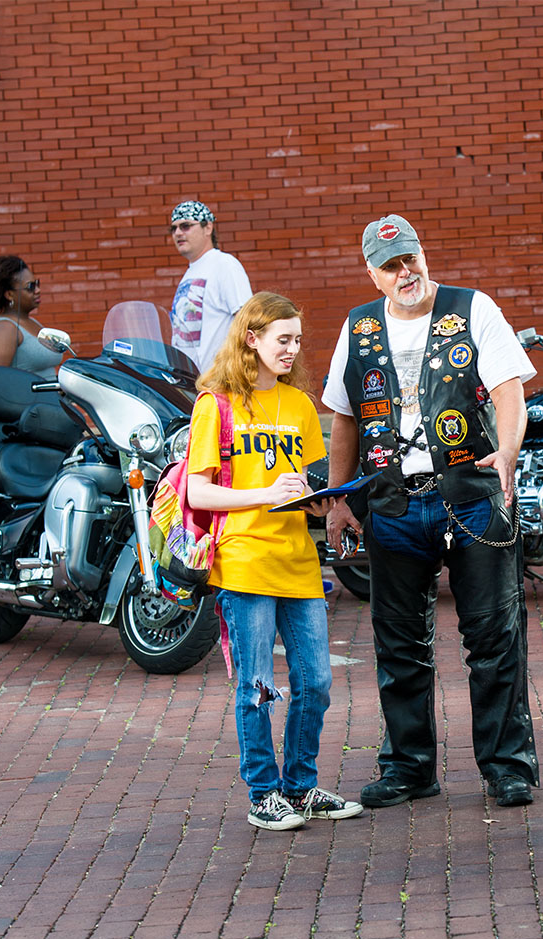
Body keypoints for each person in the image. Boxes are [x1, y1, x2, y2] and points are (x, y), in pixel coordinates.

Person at [322, 214, 539, 809]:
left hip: (471, 495)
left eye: (410, 258)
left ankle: (507, 766)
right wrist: (340, 499)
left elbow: (508, 392)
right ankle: (409, 767)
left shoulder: (473, 308)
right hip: (394, 502)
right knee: (398, 642)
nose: (405, 271)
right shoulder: (358, 325)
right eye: (390, 265)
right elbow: (343, 416)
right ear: (372, 272)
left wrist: (510, 452)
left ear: (423, 254)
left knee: (494, 637)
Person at [186, 291, 362, 831]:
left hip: (297, 559)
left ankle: (301, 787)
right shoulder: (214, 404)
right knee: (257, 684)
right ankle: (264, 793)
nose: (292, 349)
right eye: (282, 339)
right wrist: (263, 493)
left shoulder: (302, 406)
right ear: (252, 339)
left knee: (316, 683)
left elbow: (308, 484)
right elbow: (199, 493)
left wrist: (328, 500)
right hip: (244, 560)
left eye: (297, 341)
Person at [169, 200, 252, 372]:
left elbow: (248, 321)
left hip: (220, 382)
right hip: (191, 383)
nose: (178, 233)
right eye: (174, 228)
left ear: (208, 228)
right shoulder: (191, 272)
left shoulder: (224, 265)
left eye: (185, 226)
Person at [0, 255, 63, 378]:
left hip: (51, 396)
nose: (38, 290)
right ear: (9, 294)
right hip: (28, 397)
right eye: (30, 287)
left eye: (37, 284)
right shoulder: (5, 329)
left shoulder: (33, 322)